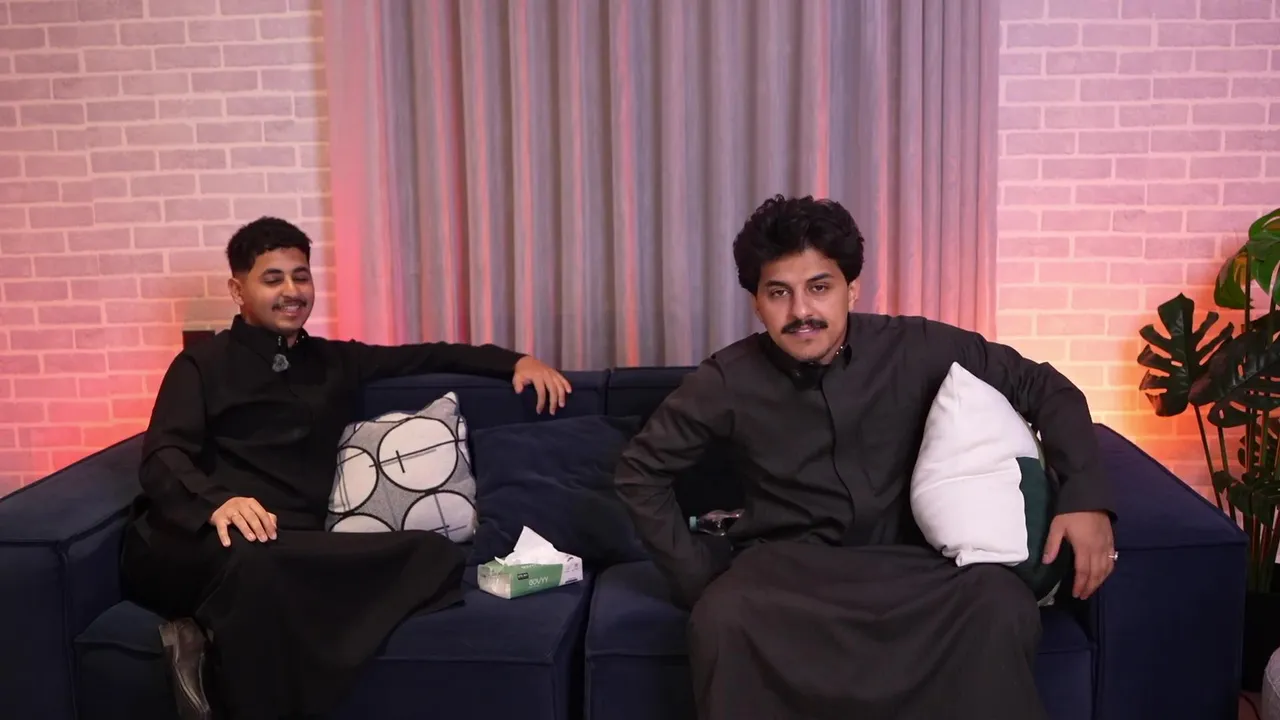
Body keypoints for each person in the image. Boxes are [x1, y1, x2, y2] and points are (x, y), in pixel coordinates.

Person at [613, 195, 1117, 720]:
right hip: (787, 572)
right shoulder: (726, 379)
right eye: (779, 292)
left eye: (819, 288)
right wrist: (697, 578)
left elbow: (1046, 387)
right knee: (721, 617)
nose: (801, 311)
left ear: (851, 289)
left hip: (919, 570)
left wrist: (1084, 497)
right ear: (756, 303)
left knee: (1000, 603)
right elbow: (640, 471)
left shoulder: (918, 346)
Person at [119, 216, 572, 720]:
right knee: (259, 569)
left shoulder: (334, 361)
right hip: (208, 539)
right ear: (237, 290)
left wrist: (515, 362)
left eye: (301, 276)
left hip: (293, 543)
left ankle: (202, 641)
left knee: (433, 555)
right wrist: (217, 503)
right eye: (273, 279)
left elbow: (427, 357)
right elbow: (162, 455)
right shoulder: (201, 365)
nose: (292, 291)